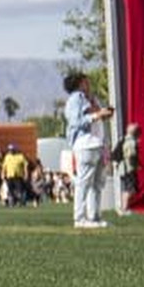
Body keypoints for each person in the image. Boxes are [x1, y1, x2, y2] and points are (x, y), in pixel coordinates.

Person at [59, 71, 111, 228]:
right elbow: (75, 121)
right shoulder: (76, 99)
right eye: (85, 81)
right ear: (79, 83)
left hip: (97, 143)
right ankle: (80, 218)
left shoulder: (91, 98)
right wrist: (96, 116)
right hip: (85, 143)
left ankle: (94, 216)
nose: (88, 84)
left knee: (97, 183)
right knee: (84, 182)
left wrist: (103, 114)